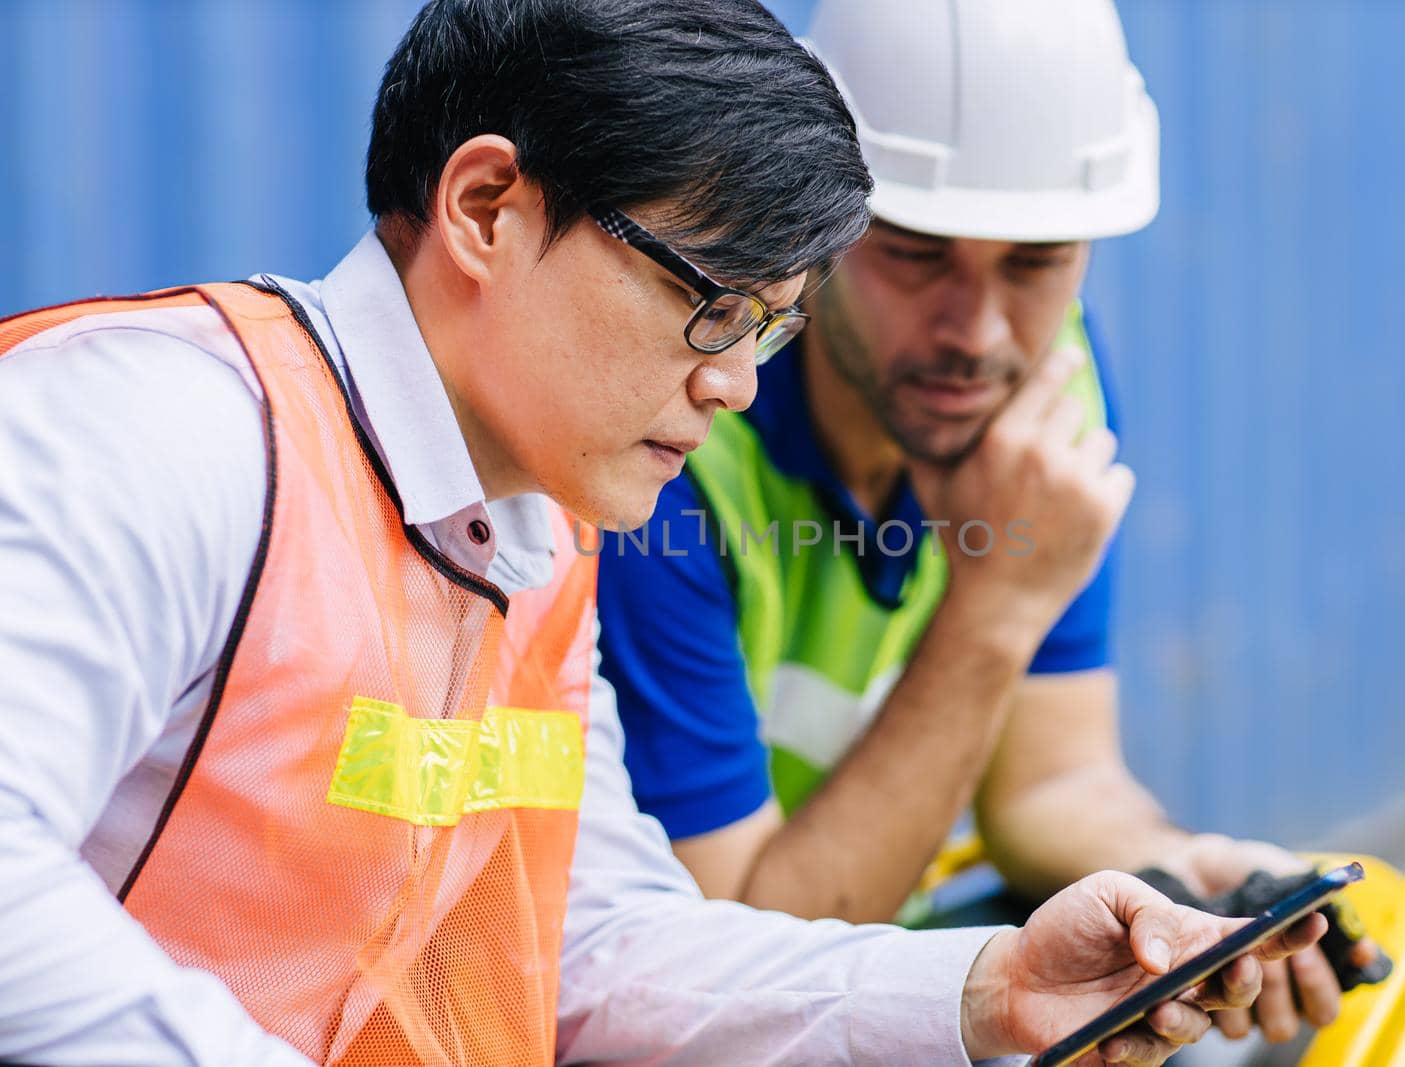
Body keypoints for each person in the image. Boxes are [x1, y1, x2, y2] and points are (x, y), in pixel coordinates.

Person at [0, 1, 1327, 1065]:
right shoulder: (153, 428)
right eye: (710, 304)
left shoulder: (531, 538)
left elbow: (594, 951)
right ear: (485, 207)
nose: (736, 380)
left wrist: (985, 990)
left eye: (771, 326)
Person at [595, 0, 1376, 1048]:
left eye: (1035, 262)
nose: (979, 333)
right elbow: (740, 956)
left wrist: (1191, 875)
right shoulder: (676, 446)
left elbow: (1049, 784)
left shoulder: (1048, 387)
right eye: (916, 256)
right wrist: (994, 607)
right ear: (815, 225)